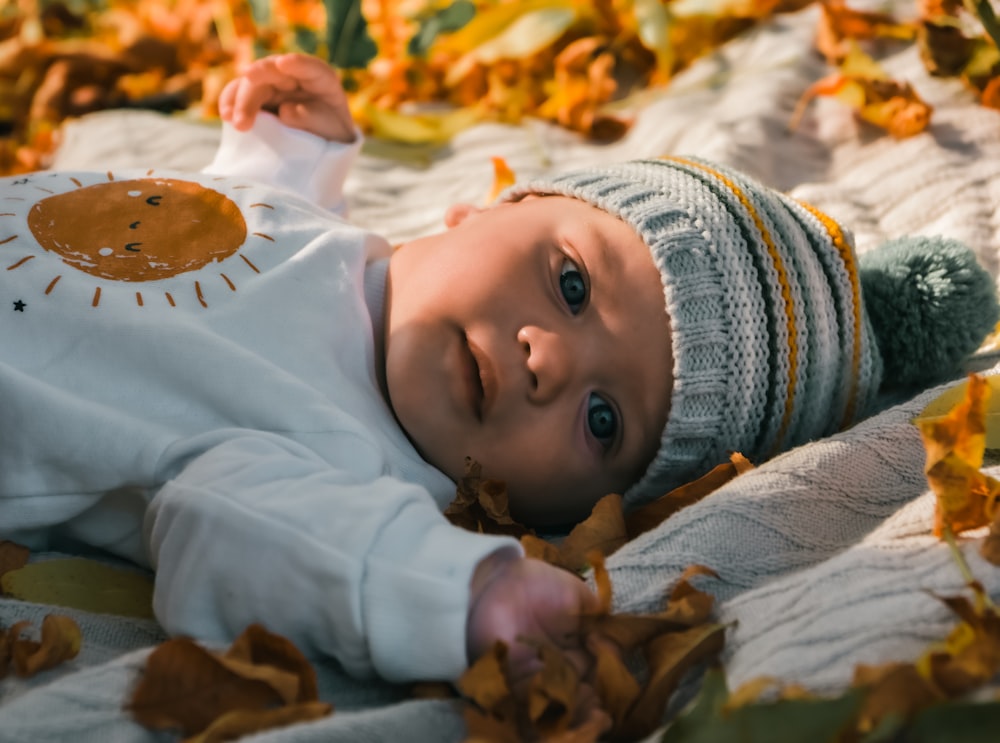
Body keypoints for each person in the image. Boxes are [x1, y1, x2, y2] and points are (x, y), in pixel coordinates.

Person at [0, 52, 995, 686]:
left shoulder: (354, 469)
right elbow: (217, 225)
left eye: (604, 421)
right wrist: (290, 148)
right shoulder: (339, 239)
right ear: (485, 209)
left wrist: (460, 594)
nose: (551, 359)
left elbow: (231, 534)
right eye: (569, 282)